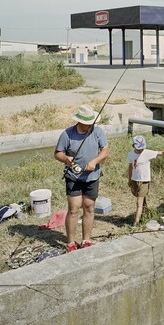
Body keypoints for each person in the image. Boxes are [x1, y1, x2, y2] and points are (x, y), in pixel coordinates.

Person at [54, 104, 109, 252]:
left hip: (92, 177)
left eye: (92, 123)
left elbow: (105, 150)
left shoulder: (98, 132)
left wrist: (94, 161)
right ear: (80, 121)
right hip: (74, 177)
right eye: (88, 123)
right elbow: (57, 153)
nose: (90, 125)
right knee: (73, 209)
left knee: (89, 207)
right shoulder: (67, 134)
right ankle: (70, 242)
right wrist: (66, 159)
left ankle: (86, 239)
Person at [127, 135, 164, 227]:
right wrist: (129, 179)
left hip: (144, 180)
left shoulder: (147, 153)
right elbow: (130, 167)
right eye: (138, 149)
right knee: (140, 197)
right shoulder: (131, 154)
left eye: (142, 148)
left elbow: (160, 153)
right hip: (135, 179)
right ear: (133, 146)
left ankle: (136, 222)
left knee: (139, 201)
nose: (140, 151)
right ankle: (145, 214)